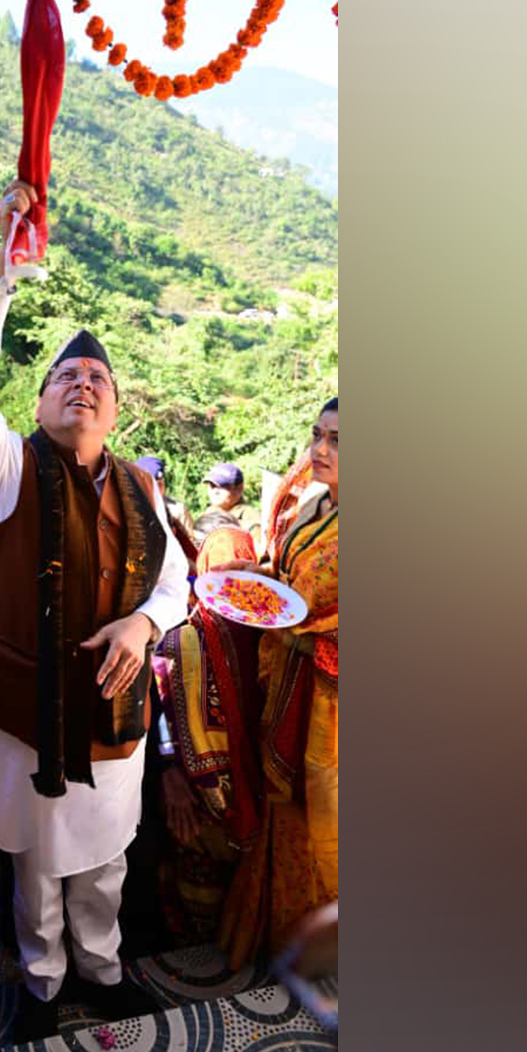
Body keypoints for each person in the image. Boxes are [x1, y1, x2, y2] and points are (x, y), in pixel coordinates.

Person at [0, 178, 187, 1040]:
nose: (82, 385)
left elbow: (176, 580)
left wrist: (143, 623)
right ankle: (43, 983)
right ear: (41, 401)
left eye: (97, 379)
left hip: (112, 708)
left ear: (116, 409)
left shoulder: (139, 485)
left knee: (106, 859)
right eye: (66, 377)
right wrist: (0, 281)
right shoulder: (6, 470)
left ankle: (104, 967)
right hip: (25, 713)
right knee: (35, 872)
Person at [217, 398, 338, 969]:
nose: (319, 449)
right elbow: (287, 579)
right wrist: (256, 580)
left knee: (325, 827)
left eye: (337, 440)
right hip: (287, 678)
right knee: (283, 817)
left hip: (331, 708)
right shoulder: (315, 506)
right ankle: (278, 943)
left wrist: (294, 623)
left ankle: (325, 955)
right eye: (317, 434)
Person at [150, 522, 265, 945]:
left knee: (196, 886)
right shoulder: (275, 639)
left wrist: (169, 774)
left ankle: (196, 951)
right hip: (258, 803)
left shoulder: (178, 642)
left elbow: (159, 714)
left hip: (197, 800)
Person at [192, 463, 261, 551]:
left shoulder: (250, 517)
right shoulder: (209, 513)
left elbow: (258, 552)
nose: (215, 491)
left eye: (222, 486)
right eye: (212, 486)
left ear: (239, 488)